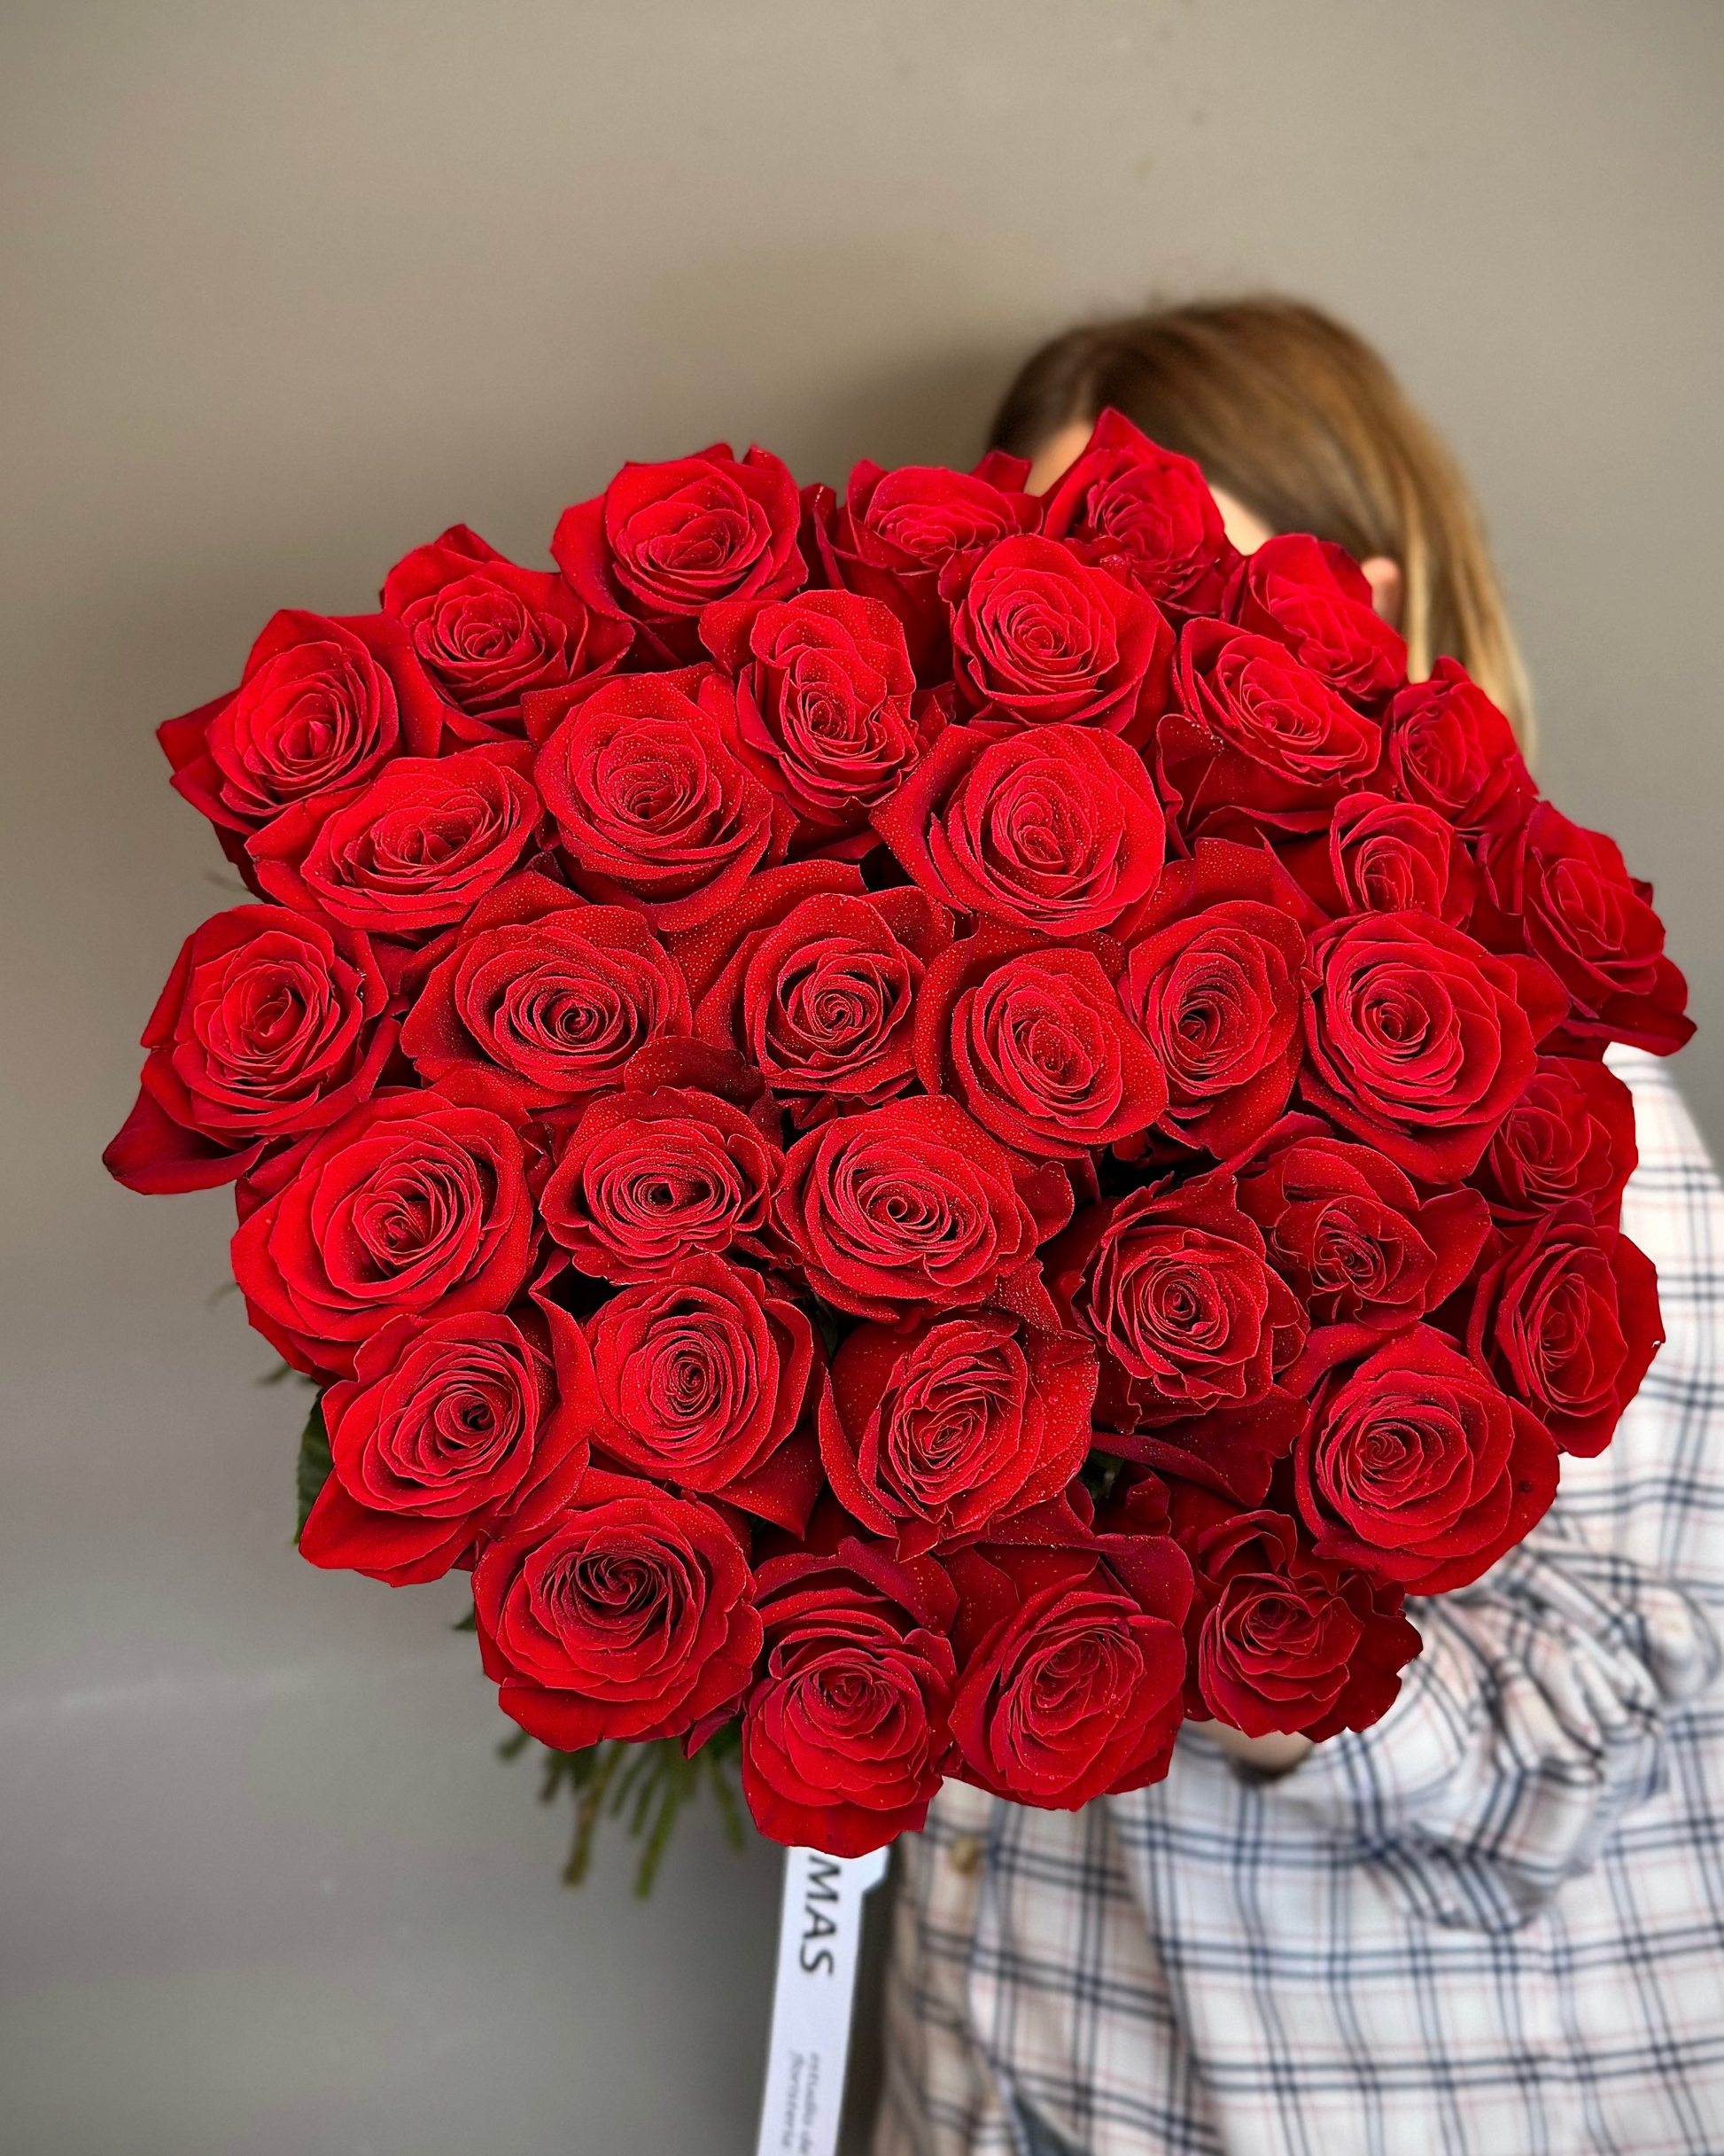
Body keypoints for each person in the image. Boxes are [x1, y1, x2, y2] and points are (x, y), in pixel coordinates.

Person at [874, 298, 1724, 2156]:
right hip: (1018, 2063)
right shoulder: (965, 1085)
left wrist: (1223, 1607)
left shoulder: (1566, 1119)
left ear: (1382, 598)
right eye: (1045, 582)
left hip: (1389, 2092)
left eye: (1179, 577)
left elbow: (1552, 1755)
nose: (1103, 655)